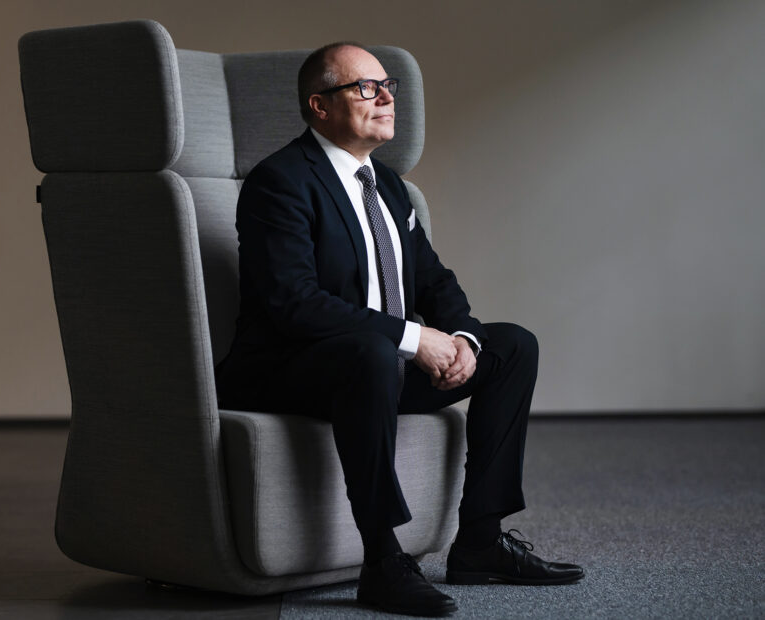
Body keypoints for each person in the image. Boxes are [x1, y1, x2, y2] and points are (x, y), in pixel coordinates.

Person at [215, 42, 583, 617]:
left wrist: (462, 339)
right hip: (289, 371)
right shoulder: (279, 181)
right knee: (368, 351)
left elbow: (434, 280)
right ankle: (384, 562)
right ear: (319, 106)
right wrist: (414, 339)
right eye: (366, 87)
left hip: (374, 368)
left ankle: (481, 542)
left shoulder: (387, 184)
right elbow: (295, 304)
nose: (386, 98)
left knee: (512, 346)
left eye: (388, 86)